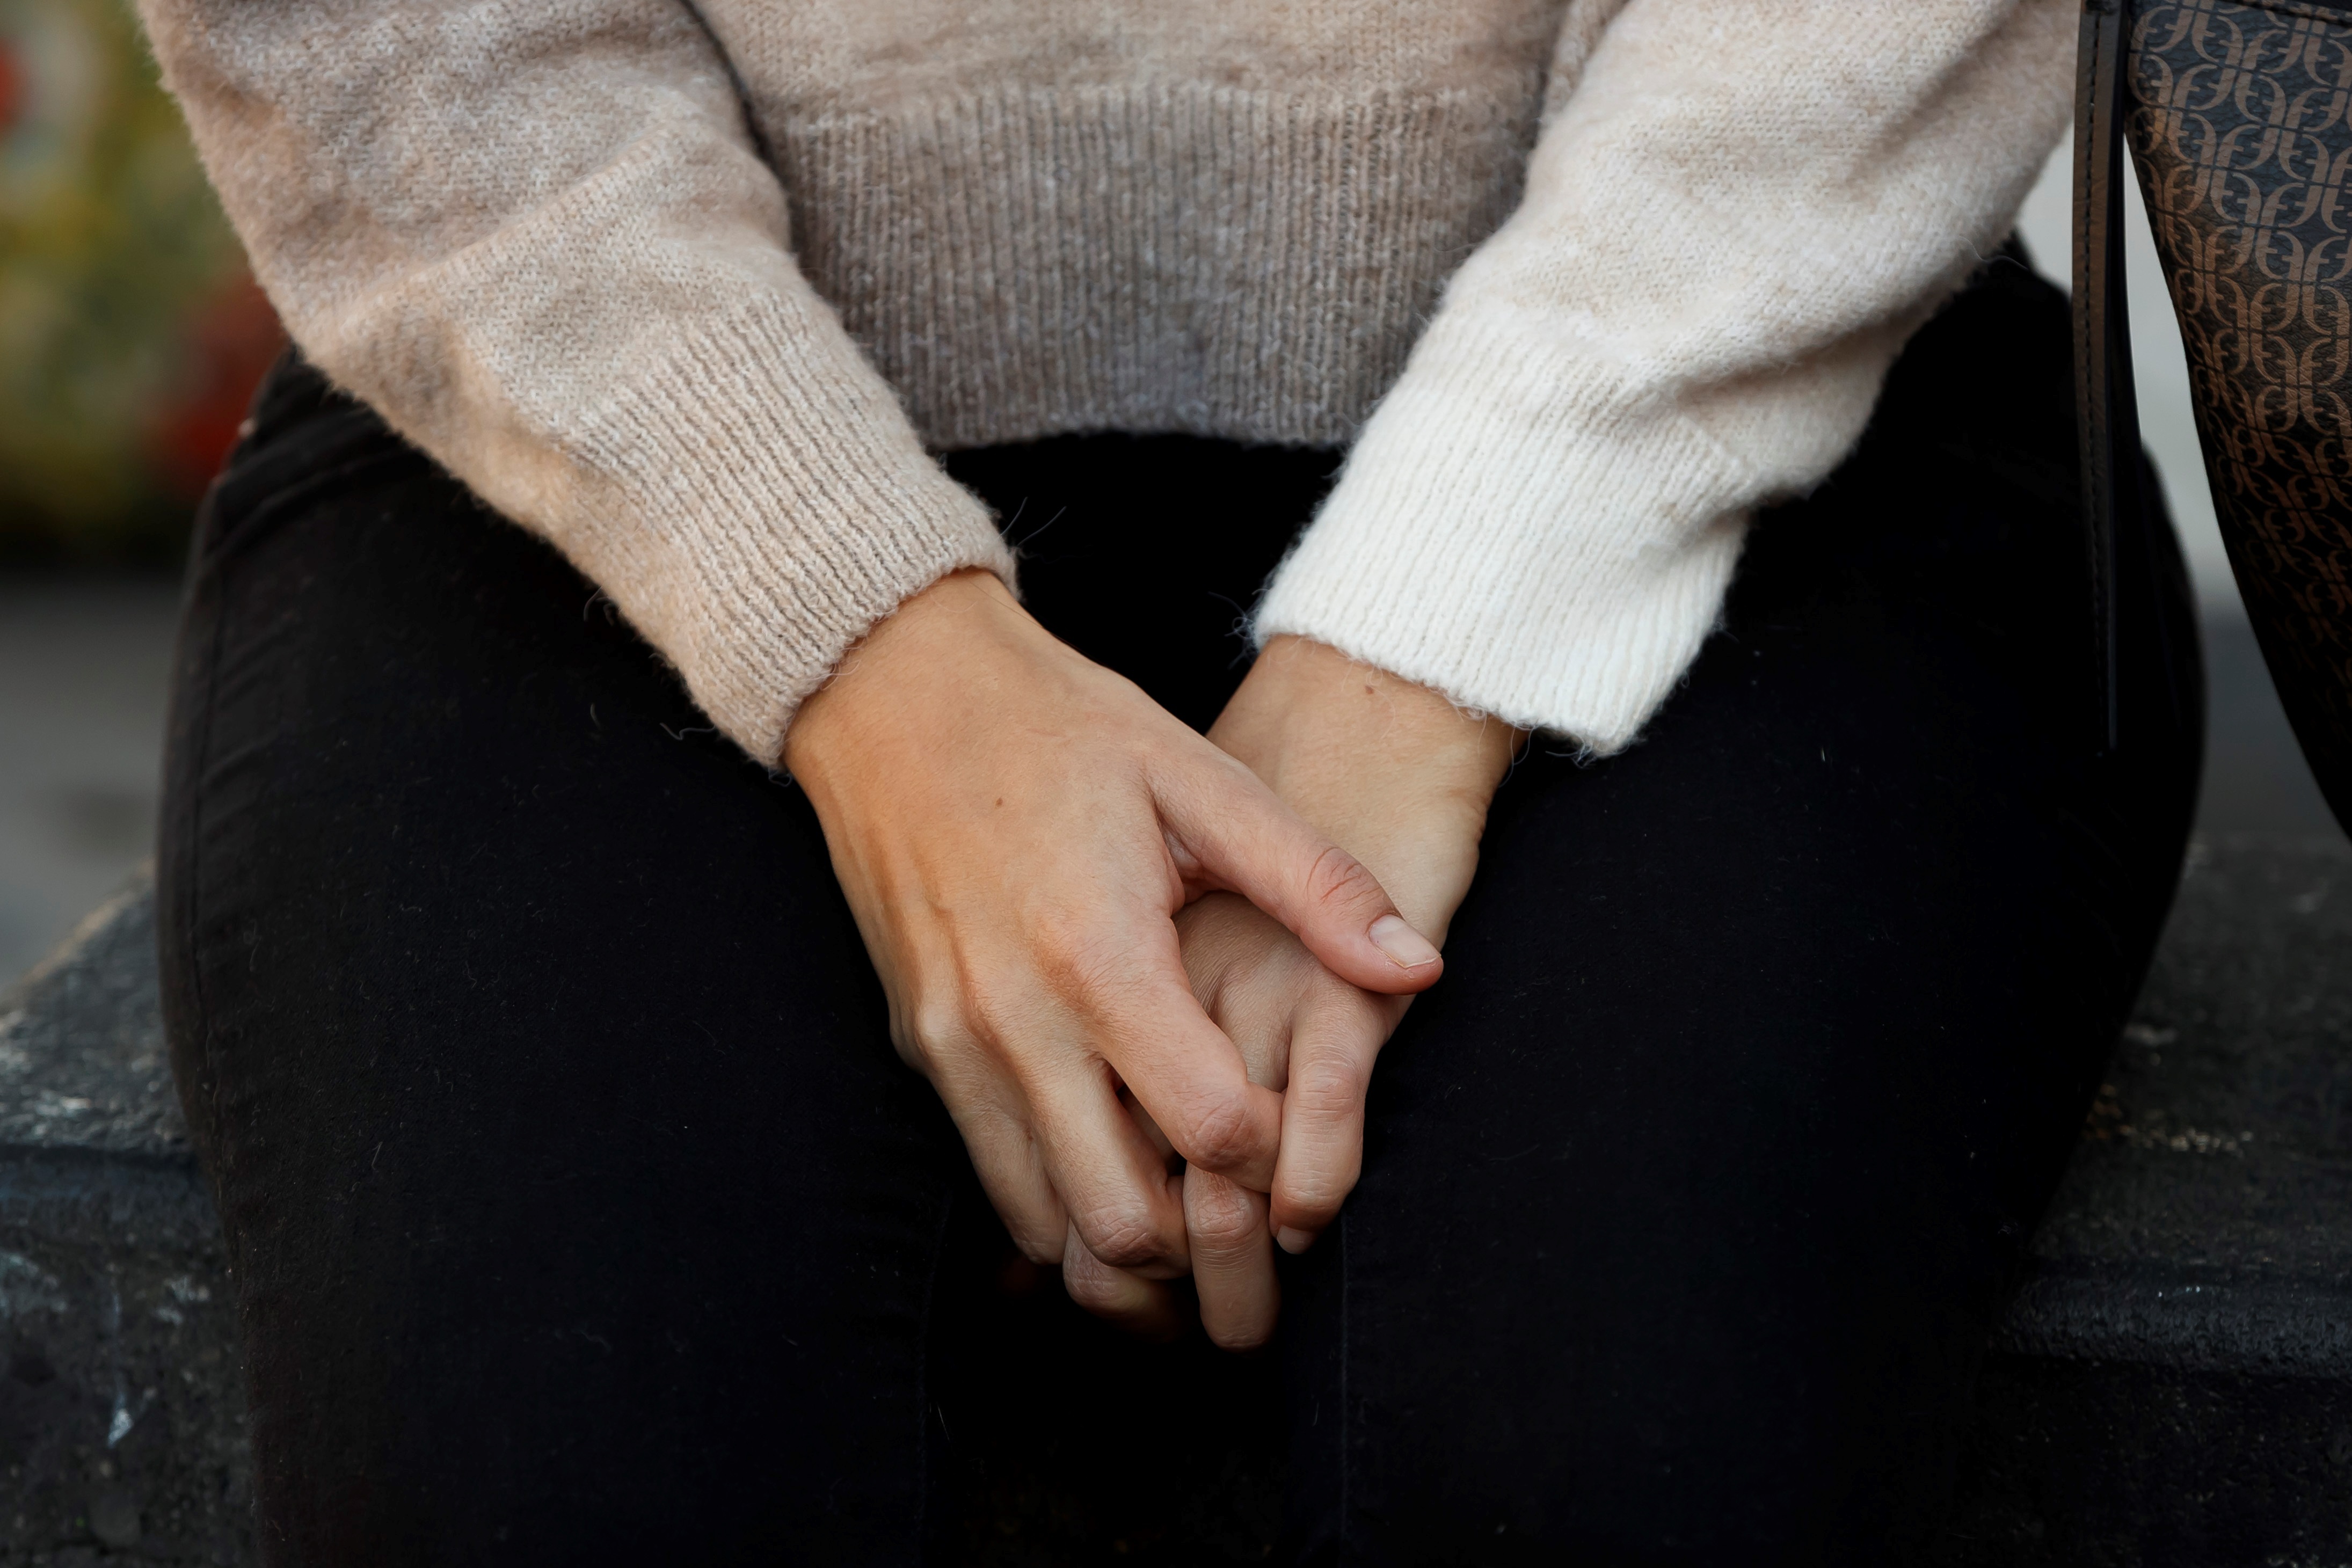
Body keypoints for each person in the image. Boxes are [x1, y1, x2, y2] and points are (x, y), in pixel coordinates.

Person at [141, 1, 2202, 1561]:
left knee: (1608, 1450)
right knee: (567, 1466)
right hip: (588, 363)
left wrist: (1440, 624)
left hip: (1734, 327)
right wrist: (859, 625)